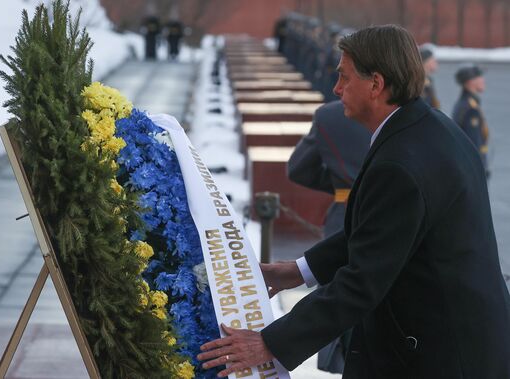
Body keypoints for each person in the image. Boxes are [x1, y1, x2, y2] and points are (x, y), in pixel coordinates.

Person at [198, 25, 510, 379]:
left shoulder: (400, 162)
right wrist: (299, 271)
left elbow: (363, 280)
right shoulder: (429, 128)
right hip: (459, 338)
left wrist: (270, 342)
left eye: (344, 78)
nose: (336, 89)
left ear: (376, 84)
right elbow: (380, 234)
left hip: (442, 354)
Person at [287, 100, 371, 374]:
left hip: (344, 212)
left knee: (339, 296)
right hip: (398, 212)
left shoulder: (329, 115)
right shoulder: (409, 109)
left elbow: (299, 167)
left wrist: (340, 185)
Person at [452, 64, 490, 178]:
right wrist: (480, 168)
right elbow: (473, 143)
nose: (483, 80)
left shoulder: (466, 103)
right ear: (470, 82)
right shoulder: (470, 108)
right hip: (471, 170)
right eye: (479, 77)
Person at [419, 44, 440, 108]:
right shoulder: (418, 81)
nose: (436, 63)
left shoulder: (428, 80)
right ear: (426, 62)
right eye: (433, 60)